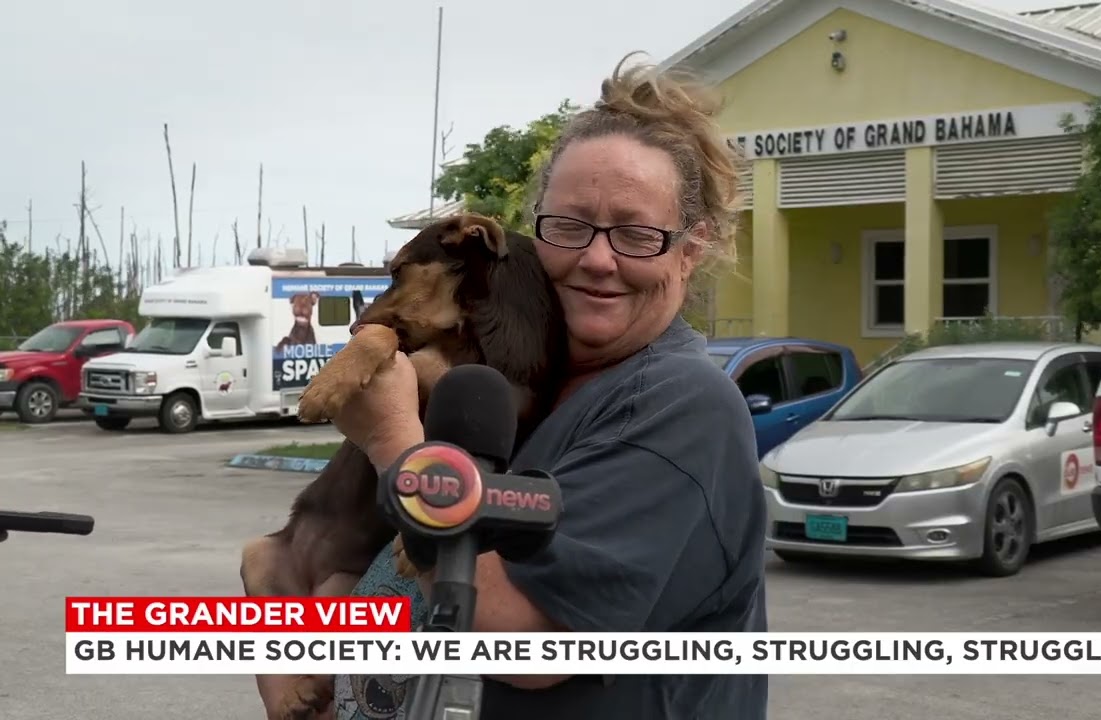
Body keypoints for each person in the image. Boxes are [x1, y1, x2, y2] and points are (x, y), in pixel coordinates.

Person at [259, 51, 768, 720]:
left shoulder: (677, 405)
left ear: (690, 250)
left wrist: (395, 444)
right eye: (570, 226)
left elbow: (524, 647)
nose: (596, 259)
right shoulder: (535, 386)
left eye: (638, 234)